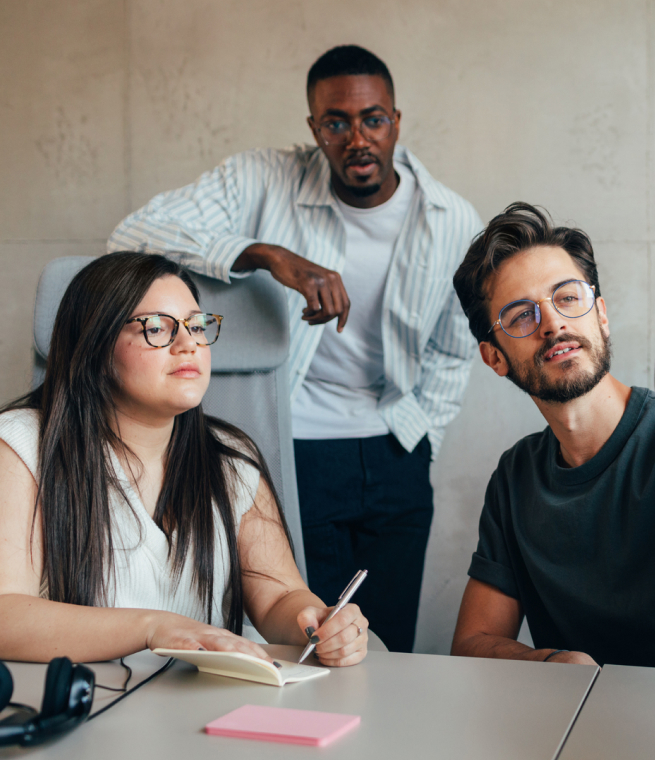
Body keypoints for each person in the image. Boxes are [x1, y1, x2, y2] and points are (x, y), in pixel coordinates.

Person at [107, 45, 482, 652]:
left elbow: (453, 347)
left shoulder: (449, 220)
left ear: (396, 120)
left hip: (396, 452)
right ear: (313, 129)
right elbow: (130, 233)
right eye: (336, 123)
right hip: (299, 448)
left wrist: (420, 440)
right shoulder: (261, 179)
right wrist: (264, 254)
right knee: (312, 640)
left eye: (373, 119)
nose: (357, 138)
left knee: (391, 651)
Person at [0, 252, 368, 666]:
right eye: (157, 327)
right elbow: (5, 614)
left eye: (196, 325)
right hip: (85, 709)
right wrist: (154, 629)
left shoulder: (230, 460)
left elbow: (279, 595)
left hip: (203, 708)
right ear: (95, 345)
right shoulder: (23, 444)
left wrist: (317, 621)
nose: (188, 343)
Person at [450, 202, 655, 668]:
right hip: (563, 727)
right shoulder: (516, 476)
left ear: (600, 313)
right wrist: (551, 663)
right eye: (522, 315)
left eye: (567, 297)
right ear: (494, 357)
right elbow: (471, 642)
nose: (553, 323)